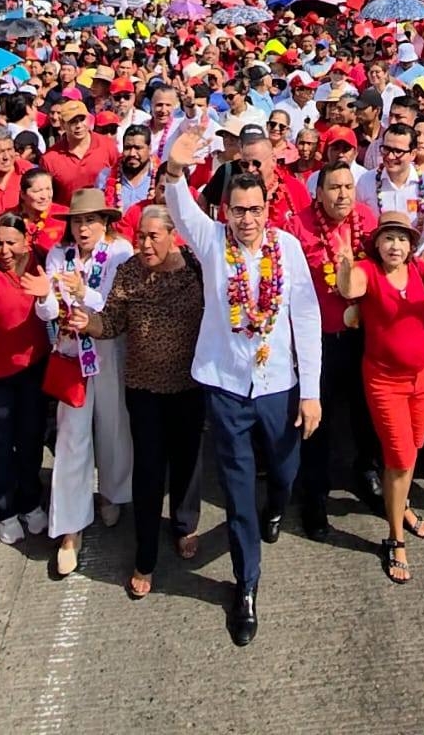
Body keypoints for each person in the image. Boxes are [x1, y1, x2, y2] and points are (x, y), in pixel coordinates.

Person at [162, 119, 321, 648]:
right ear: (225, 210)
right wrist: (177, 163)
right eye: (238, 210)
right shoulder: (210, 242)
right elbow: (180, 203)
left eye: (255, 210)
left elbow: (306, 318)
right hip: (227, 386)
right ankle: (246, 583)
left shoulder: (288, 249)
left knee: (284, 467)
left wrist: (311, 390)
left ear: (267, 208)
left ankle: (277, 504)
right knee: (235, 490)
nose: (247, 220)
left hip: (278, 385)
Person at [70, 203, 206, 597]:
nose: (145, 245)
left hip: (189, 386)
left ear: (172, 236)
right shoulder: (129, 272)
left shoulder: (195, 270)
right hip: (143, 389)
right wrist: (87, 322)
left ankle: (184, 524)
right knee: (148, 469)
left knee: (187, 461)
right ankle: (145, 554)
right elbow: (110, 321)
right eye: (141, 236)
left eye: (153, 237)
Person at [337, 211, 424, 583]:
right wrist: (345, 266)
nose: (396, 245)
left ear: (412, 245)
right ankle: (394, 539)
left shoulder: (420, 270)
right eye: (389, 238)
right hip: (384, 381)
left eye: (402, 239)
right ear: (377, 243)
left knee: (412, 449)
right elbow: (350, 289)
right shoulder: (367, 270)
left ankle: (402, 506)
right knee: (399, 458)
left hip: (423, 377)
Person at [22, 189, 133, 574]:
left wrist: (83, 292)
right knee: (71, 438)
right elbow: (51, 309)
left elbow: (119, 304)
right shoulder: (59, 255)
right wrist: (44, 298)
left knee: (114, 426)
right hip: (71, 353)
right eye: (77, 220)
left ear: (105, 221)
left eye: (91, 220)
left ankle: (113, 493)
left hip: (109, 350)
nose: (83, 228)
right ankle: (70, 527)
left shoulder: (120, 252)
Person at [291, 162, 381, 535]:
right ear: (318, 192)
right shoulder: (298, 226)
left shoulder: (366, 219)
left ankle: (368, 473)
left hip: (363, 336)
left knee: (366, 414)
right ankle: (314, 497)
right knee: (318, 424)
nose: (342, 194)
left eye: (347, 186)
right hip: (319, 341)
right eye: (334, 187)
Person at [0, 213, 51, 545]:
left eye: (11, 243)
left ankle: (30, 501)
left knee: (30, 440)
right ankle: (4, 511)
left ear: (25, 241)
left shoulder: (40, 262)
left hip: (33, 369)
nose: (4, 250)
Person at [43, 103, 119, 205]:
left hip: (103, 216)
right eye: (72, 122)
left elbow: (119, 180)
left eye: (82, 119)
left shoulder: (108, 146)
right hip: (68, 217)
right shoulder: (50, 158)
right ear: (62, 124)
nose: (79, 125)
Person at [17, 166, 69, 255]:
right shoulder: (12, 217)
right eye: (37, 191)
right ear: (23, 194)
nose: (44, 196)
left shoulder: (64, 215)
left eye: (48, 189)